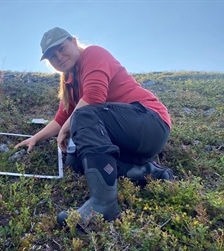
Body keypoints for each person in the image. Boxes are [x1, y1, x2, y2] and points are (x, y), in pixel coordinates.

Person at [15, 27, 173, 226]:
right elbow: (62, 117)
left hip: (151, 124)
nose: (59, 57)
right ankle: (146, 171)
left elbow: (94, 97)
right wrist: (35, 138)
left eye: (62, 49)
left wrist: (69, 126)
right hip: (130, 140)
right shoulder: (70, 82)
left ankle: (103, 205)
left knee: (82, 115)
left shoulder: (93, 54)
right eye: (52, 57)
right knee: (75, 160)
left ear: (73, 41)